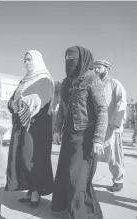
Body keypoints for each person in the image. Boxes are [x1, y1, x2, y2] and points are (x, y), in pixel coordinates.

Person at [51, 46, 108, 219]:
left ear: (83, 59)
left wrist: (98, 138)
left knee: (78, 178)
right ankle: (65, 208)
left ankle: (81, 213)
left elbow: (102, 110)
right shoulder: (67, 82)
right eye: (67, 58)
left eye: (73, 58)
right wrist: (56, 129)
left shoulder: (92, 79)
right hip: (68, 134)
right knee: (63, 175)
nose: (70, 62)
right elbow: (62, 108)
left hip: (86, 136)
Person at [5, 50, 55, 207]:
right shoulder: (24, 80)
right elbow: (14, 98)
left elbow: (40, 100)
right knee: (20, 158)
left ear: (37, 60)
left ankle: (36, 192)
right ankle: (31, 190)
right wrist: (13, 103)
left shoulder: (45, 79)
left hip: (36, 129)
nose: (26, 62)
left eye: (29, 59)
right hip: (21, 125)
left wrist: (19, 103)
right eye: (24, 60)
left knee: (32, 159)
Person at [93, 60, 127, 192]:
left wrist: (115, 122)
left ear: (107, 69)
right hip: (96, 125)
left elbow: (122, 102)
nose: (96, 70)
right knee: (93, 153)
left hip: (112, 125)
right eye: (95, 68)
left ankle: (118, 180)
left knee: (113, 154)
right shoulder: (94, 83)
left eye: (99, 68)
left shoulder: (114, 83)